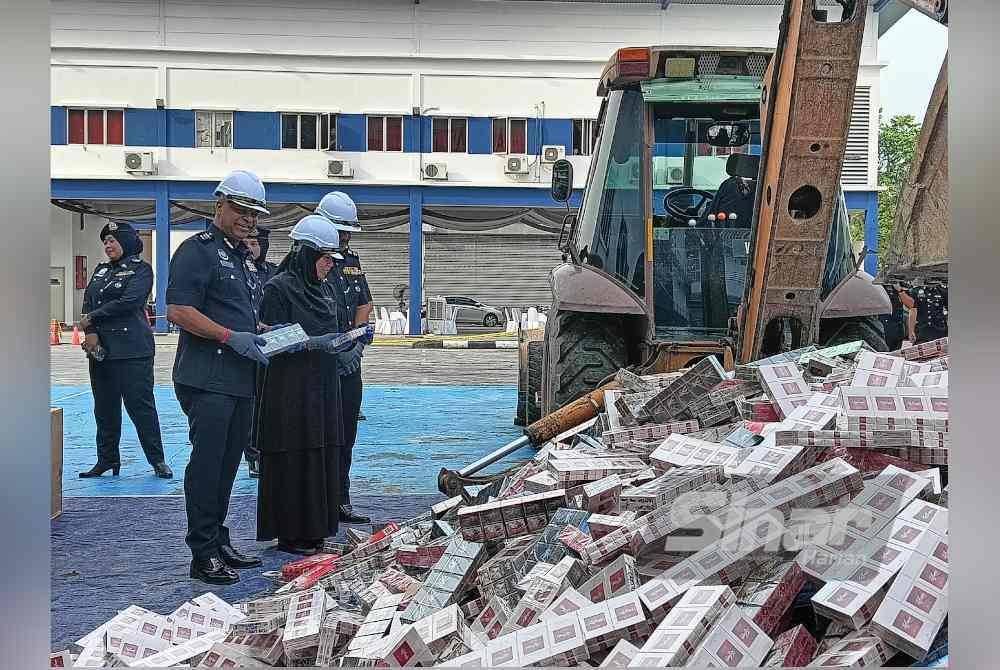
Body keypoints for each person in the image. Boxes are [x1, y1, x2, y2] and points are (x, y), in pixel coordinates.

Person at [166, 169, 272, 585]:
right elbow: (178, 311)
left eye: (254, 213)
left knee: (229, 464)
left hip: (238, 378)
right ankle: (202, 551)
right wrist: (231, 336)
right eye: (241, 210)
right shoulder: (198, 251)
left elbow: (238, 315)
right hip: (207, 377)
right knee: (208, 466)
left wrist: (260, 335)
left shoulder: (241, 258)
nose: (249, 219)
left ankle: (218, 537)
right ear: (220, 205)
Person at [255, 215, 362, 555]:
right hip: (289, 390)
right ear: (306, 255)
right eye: (325, 259)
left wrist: (347, 341)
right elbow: (267, 337)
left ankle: (315, 528)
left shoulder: (324, 288)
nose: (330, 266)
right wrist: (314, 343)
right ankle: (291, 533)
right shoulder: (278, 287)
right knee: (294, 455)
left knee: (321, 453)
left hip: (322, 385)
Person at [79, 221, 172, 479]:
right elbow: (87, 304)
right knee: (104, 409)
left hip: (133, 351)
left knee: (141, 408)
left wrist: (93, 317)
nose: (108, 246)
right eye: (105, 242)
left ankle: (157, 460)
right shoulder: (99, 272)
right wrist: (91, 334)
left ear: (127, 242)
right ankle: (107, 460)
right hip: (101, 352)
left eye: (113, 240)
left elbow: (130, 302)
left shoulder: (141, 270)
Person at [316, 191, 373, 524]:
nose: (345, 236)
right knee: (319, 435)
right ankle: (318, 502)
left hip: (350, 363)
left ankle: (340, 499)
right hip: (320, 364)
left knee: (345, 434)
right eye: (340, 230)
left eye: (348, 231)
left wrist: (355, 343)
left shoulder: (351, 261)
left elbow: (364, 303)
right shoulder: (305, 262)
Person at [243, 225, 279, 478]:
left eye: (255, 243)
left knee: (269, 403)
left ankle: (266, 451)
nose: (250, 248)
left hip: (271, 346)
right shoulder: (236, 269)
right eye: (247, 242)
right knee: (249, 404)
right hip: (242, 346)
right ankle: (252, 453)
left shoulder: (275, 273)